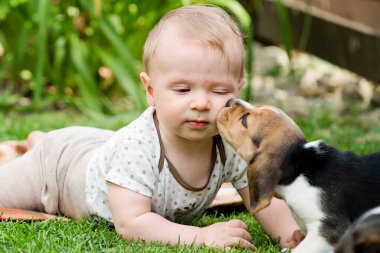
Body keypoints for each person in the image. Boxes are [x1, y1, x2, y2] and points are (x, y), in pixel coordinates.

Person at [0, 4, 303, 250]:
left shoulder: (232, 141)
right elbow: (131, 222)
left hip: (101, 148)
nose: (200, 103)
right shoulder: (138, 147)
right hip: (56, 169)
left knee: (109, 151)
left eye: (218, 91)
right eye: (183, 90)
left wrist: (293, 236)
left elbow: (261, 199)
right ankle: (37, 147)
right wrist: (202, 237)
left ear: (238, 89)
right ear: (151, 90)